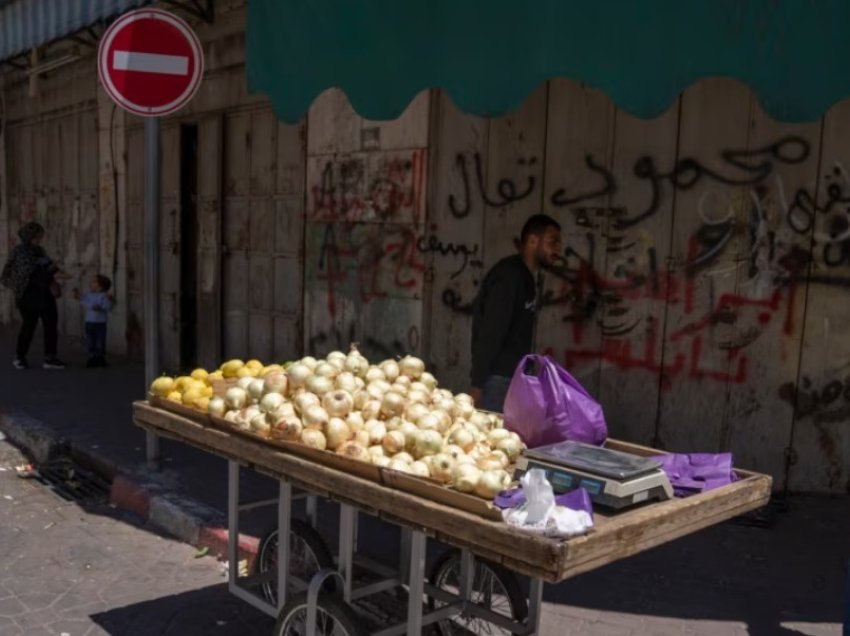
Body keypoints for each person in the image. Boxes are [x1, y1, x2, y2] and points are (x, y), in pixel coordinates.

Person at [470, 214, 563, 412]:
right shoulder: (509, 277)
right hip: (496, 382)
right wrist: (477, 385)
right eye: (553, 242)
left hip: (513, 380)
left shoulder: (526, 277)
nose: (558, 249)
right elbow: (491, 332)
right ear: (532, 241)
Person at [1, 221, 69, 370]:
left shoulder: (39, 250)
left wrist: (57, 273)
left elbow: (47, 267)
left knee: (51, 325)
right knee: (29, 327)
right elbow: (31, 275)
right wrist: (51, 270)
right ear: (28, 237)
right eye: (36, 237)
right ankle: (19, 357)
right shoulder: (21, 252)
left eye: (39, 237)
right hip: (28, 295)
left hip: (44, 294)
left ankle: (50, 358)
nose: (39, 240)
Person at [80, 275, 115, 368]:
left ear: (101, 286)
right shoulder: (88, 294)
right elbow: (83, 302)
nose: (91, 284)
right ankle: (92, 357)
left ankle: (100, 358)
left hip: (100, 322)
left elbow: (108, 307)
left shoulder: (104, 296)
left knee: (100, 341)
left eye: (95, 282)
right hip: (89, 322)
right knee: (90, 341)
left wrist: (102, 306)